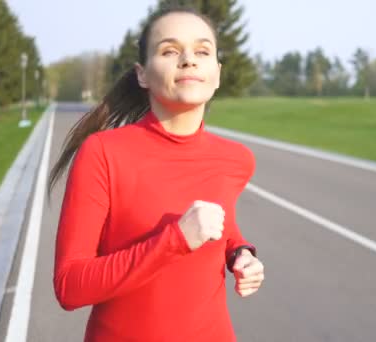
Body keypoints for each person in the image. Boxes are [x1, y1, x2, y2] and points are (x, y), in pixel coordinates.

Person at [49, 5, 265, 341]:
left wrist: (240, 252)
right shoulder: (103, 152)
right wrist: (174, 240)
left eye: (202, 51)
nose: (189, 60)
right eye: (170, 50)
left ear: (217, 73)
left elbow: (221, 220)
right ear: (142, 74)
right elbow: (69, 286)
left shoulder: (237, 159)